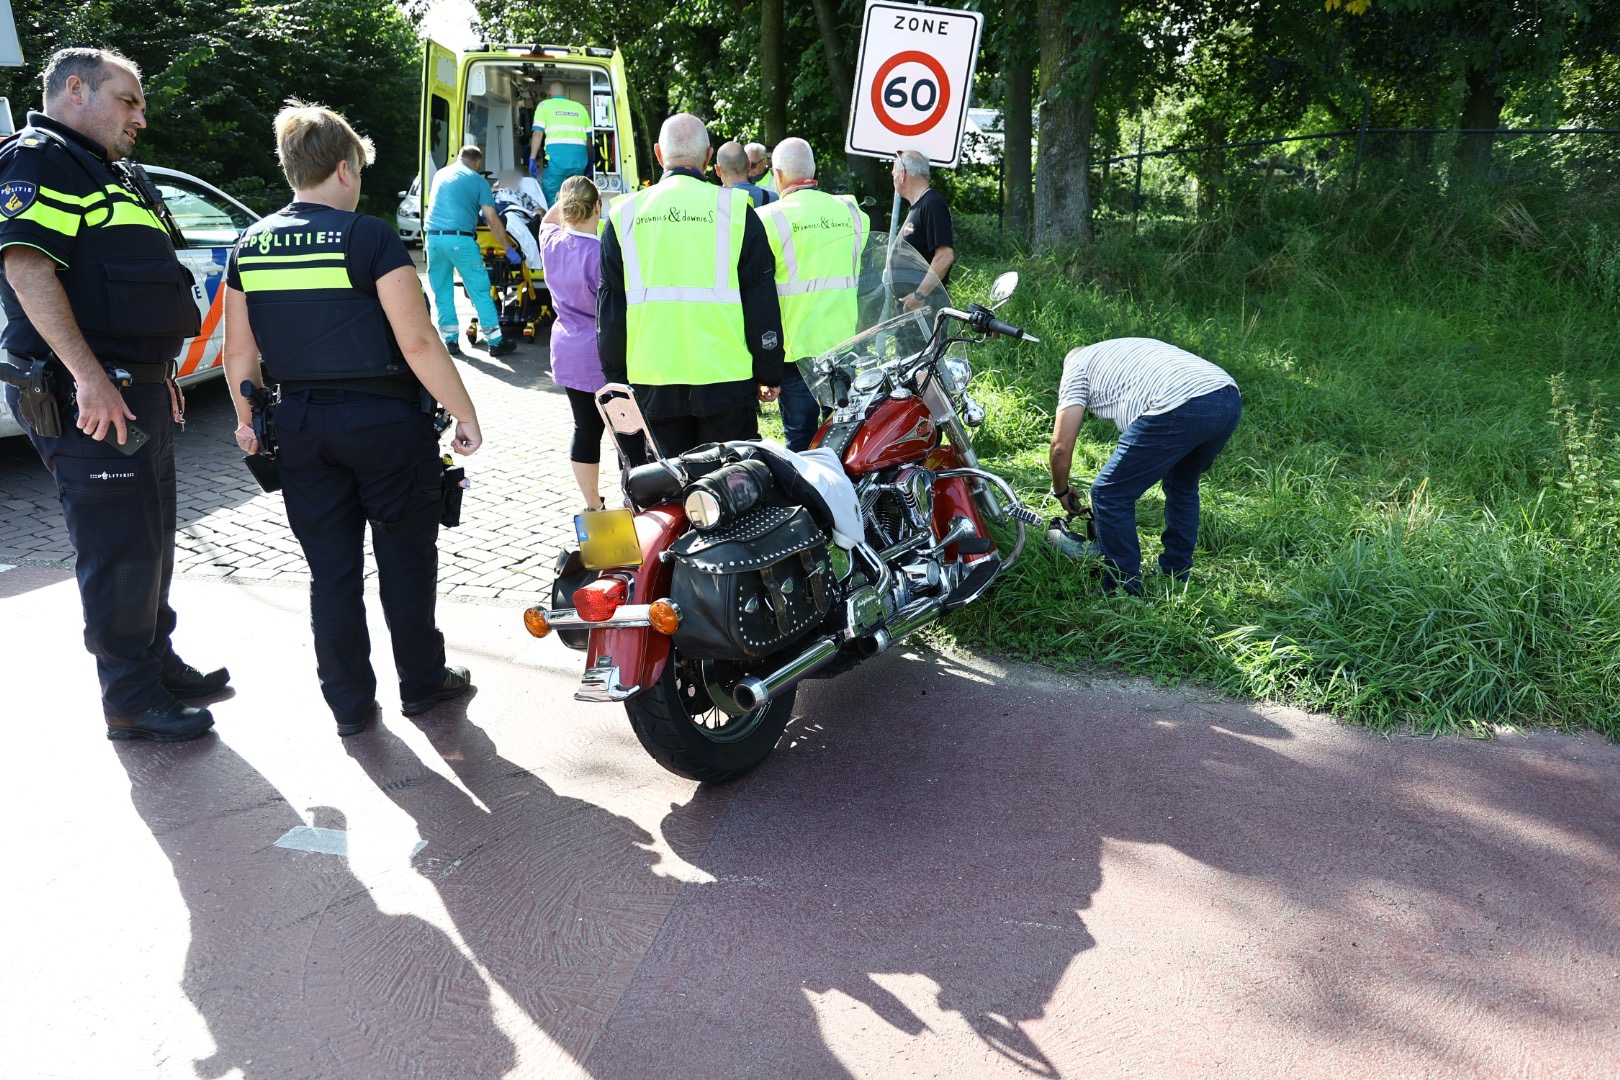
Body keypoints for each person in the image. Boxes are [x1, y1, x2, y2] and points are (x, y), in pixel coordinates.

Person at [222, 101, 484, 736]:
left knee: (330, 572)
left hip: (302, 429)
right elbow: (419, 342)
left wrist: (248, 420)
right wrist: (464, 411)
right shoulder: (368, 237)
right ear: (343, 169)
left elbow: (238, 352)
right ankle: (421, 683)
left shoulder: (250, 245)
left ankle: (348, 704)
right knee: (405, 559)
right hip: (386, 426)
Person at [0, 47, 227, 743]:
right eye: (129, 100)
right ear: (76, 90)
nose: (141, 117)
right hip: (89, 395)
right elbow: (27, 265)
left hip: (139, 387)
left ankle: (154, 664)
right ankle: (129, 697)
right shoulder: (40, 158)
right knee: (118, 545)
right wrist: (88, 376)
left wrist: (159, 376)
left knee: (152, 536)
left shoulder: (108, 170)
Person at [597, 113, 784, 456]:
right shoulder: (737, 212)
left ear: (658, 155)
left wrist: (616, 379)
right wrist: (769, 369)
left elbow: (611, 311)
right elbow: (761, 301)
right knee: (731, 493)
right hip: (726, 379)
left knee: (664, 491)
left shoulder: (622, 216)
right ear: (709, 156)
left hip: (653, 381)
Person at [1048, 338, 1242, 595]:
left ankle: (1122, 590)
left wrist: (1061, 490)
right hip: (1227, 396)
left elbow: (1060, 447)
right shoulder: (1119, 351)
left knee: (1109, 493)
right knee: (1182, 485)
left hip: (1178, 400)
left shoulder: (1076, 366)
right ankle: (1175, 574)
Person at [755, 137, 868, 451]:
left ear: (777, 174)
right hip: (845, 348)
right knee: (846, 441)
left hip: (796, 354)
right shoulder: (852, 212)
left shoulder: (767, 219)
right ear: (814, 169)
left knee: (801, 445)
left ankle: (811, 500)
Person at [539, 176, 609, 510]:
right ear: (598, 207)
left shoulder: (550, 240)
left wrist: (566, 198)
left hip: (567, 351)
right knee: (627, 434)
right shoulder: (602, 254)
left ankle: (594, 505)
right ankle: (637, 501)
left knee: (585, 428)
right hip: (601, 354)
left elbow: (547, 220)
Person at [425, 144, 518, 357]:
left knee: (442, 292)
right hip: (460, 241)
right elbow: (493, 220)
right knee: (480, 292)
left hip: (433, 240)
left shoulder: (441, 174)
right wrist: (508, 248)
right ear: (478, 162)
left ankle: (450, 341)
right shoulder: (478, 180)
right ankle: (495, 342)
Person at [891, 149, 954, 312]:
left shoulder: (932, 204)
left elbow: (945, 256)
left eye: (894, 174)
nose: (894, 178)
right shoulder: (918, 207)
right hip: (913, 310)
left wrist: (920, 295)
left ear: (903, 174)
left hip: (925, 309)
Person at [529, 82, 591, 207]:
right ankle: (573, 223)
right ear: (566, 93)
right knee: (575, 196)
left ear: (550, 93)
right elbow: (589, 138)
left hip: (556, 161)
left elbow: (537, 134)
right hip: (578, 161)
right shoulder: (580, 107)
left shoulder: (544, 105)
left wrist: (532, 158)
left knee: (553, 196)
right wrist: (590, 160)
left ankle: (555, 224)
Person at [715, 140, 775, 208]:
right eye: (751, 165)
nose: (752, 169)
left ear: (718, 170)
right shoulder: (774, 199)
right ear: (748, 165)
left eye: (754, 165)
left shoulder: (712, 202)